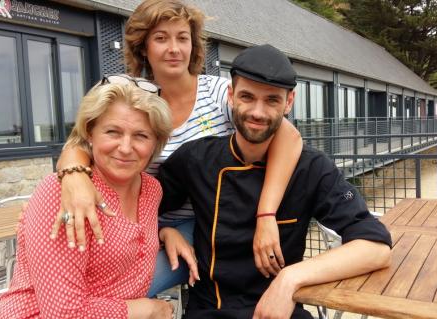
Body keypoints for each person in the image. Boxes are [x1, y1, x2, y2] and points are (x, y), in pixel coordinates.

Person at [53, 0, 303, 296]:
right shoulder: (132, 96)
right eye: (161, 38)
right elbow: (80, 143)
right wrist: (74, 177)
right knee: (74, 285)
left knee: (124, 291)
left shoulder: (219, 93)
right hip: (141, 222)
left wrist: (265, 214)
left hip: (209, 222)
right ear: (143, 47)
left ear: (193, 45)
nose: (174, 48)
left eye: (182, 38)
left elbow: (289, 137)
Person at [157, 44, 393, 319]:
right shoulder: (197, 159)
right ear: (231, 96)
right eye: (247, 97)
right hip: (211, 310)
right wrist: (165, 231)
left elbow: (376, 249)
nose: (257, 112)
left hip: (282, 309)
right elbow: (141, 208)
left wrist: (289, 278)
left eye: (271, 100)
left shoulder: (311, 168)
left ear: (288, 103)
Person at [0, 76, 184, 318]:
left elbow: (123, 245)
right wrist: (146, 309)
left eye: (141, 136)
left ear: (157, 142)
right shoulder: (61, 194)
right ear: (90, 132)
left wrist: (165, 232)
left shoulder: (150, 190)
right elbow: (64, 313)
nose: (126, 148)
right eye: (112, 132)